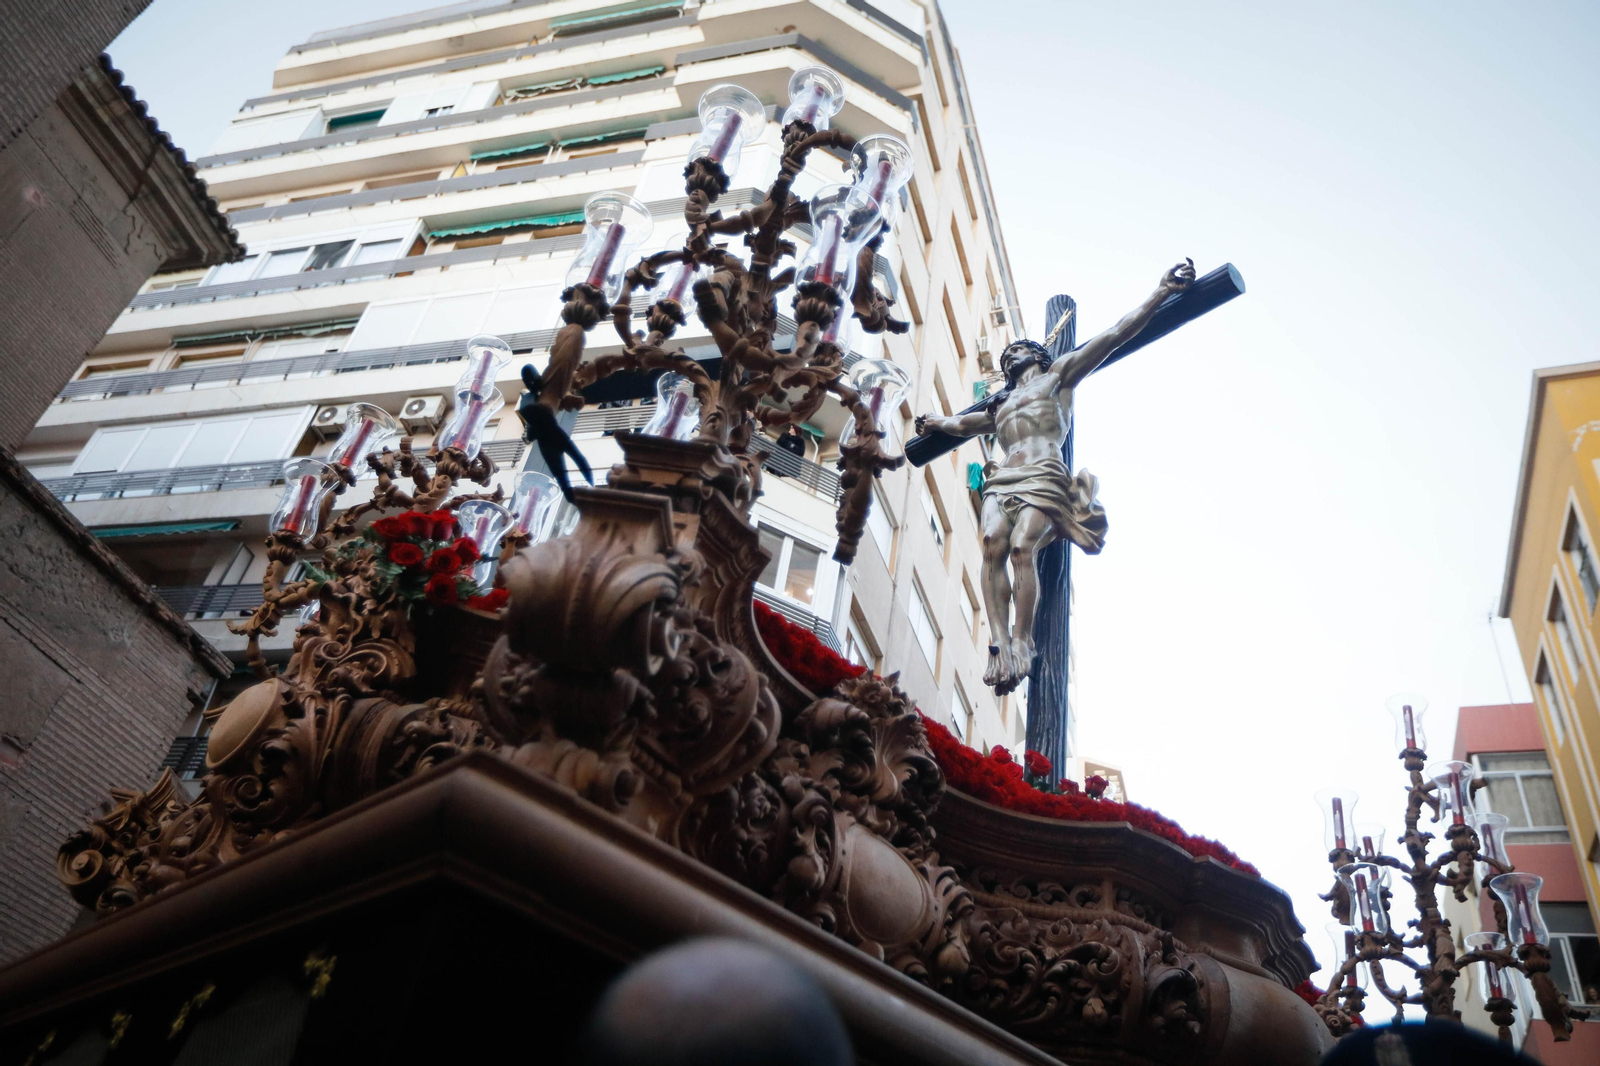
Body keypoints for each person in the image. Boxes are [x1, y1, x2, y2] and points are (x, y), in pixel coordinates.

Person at [915, 260, 1194, 693]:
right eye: (1006, 354)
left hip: (1043, 471)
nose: (1010, 355)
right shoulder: (999, 406)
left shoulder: (1058, 377)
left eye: (1018, 350)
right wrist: (935, 423)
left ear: (1038, 355)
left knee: (1024, 546)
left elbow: (1115, 335)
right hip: (1002, 478)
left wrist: (1160, 293)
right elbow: (959, 426)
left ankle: (1022, 641)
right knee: (992, 545)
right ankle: (999, 640)